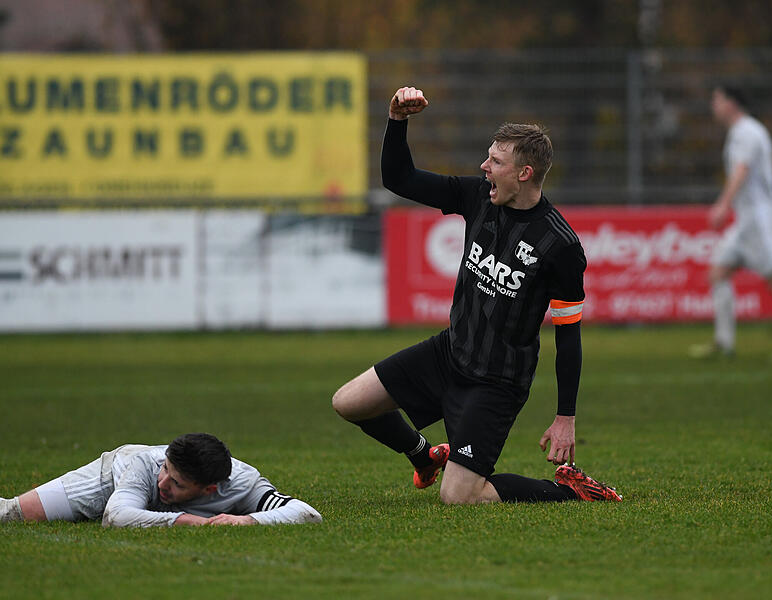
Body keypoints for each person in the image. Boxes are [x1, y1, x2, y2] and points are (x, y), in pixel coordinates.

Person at [332, 86, 621, 505]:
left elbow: (568, 336)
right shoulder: (476, 197)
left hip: (496, 383)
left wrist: (565, 418)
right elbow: (399, 179)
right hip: (448, 354)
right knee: (348, 402)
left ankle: (569, 491)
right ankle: (424, 456)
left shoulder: (560, 246)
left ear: (523, 174)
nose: (484, 166)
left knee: (460, 498)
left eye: (496, 161)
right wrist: (398, 120)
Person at [690, 85, 772, 363]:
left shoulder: (746, 132)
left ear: (732, 103)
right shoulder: (743, 132)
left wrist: (722, 205)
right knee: (718, 272)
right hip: (747, 219)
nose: (713, 105)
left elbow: (742, 169)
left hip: (759, 217)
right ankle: (724, 343)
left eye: (717, 99)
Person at [0, 432, 322, 527]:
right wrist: (191, 522)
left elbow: (307, 514)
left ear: (209, 490)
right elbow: (116, 516)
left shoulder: (244, 484)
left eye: (177, 482)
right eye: (165, 469)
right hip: (113, 478)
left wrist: (247, 522)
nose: (162, 482)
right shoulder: (146, 466)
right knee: (12, 514)